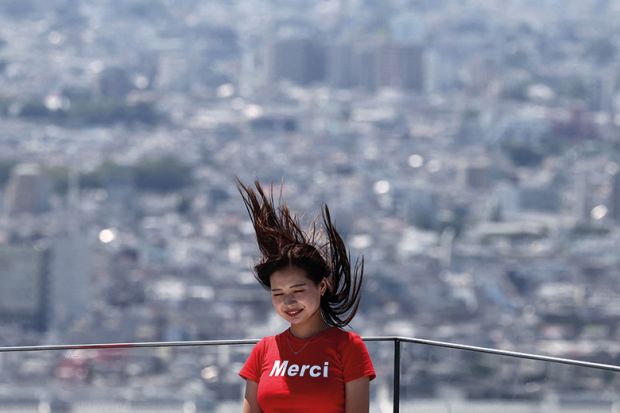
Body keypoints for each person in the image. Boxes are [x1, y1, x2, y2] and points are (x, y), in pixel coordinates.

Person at [236, 179, 376, 413]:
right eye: (278, 293)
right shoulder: (263, 350)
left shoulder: (348, 347)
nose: (288, 302)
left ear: (321, 286)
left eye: (298, 290)